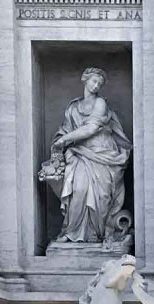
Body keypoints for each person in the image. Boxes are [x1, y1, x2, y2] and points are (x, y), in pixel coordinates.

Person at [48, 67, 132, 245]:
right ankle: (71, 231)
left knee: (100, 196)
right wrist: (62, 141)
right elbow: (65, 130)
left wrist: (63, 141)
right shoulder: (73, 107)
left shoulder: (100, 103)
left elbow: (91, 128)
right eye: (94, 81)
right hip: (80, 154)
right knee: (78, 190)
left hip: (102, 152)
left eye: (100, 84)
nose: (96, 86)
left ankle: (96, 234)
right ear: (84, 79)